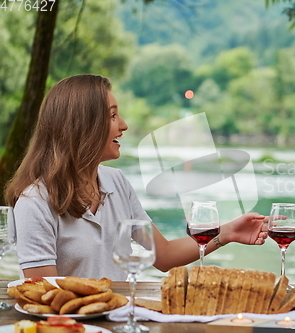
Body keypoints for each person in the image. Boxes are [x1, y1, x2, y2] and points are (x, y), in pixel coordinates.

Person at [5, 74, 268, 280]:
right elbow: (44, 295)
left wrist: (227, 232)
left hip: (120, 319)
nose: (124, 124)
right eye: (112, 115)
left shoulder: (116, 182)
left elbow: (162, 256)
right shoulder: (35, 202)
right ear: (82, 126)